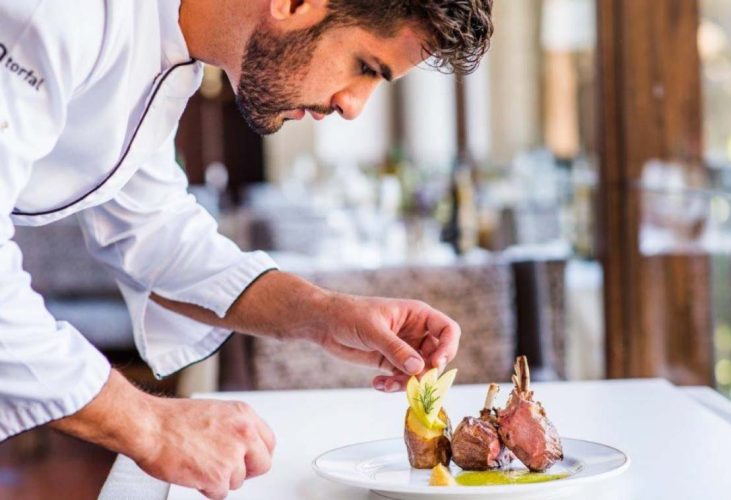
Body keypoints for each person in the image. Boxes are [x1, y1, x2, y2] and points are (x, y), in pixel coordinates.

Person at [0, 0, 493, 497]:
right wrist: (149, 425)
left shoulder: (170, 53)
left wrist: (324, 314)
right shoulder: (58, 13)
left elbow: (152, 239)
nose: (353, 105)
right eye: (365, 66)